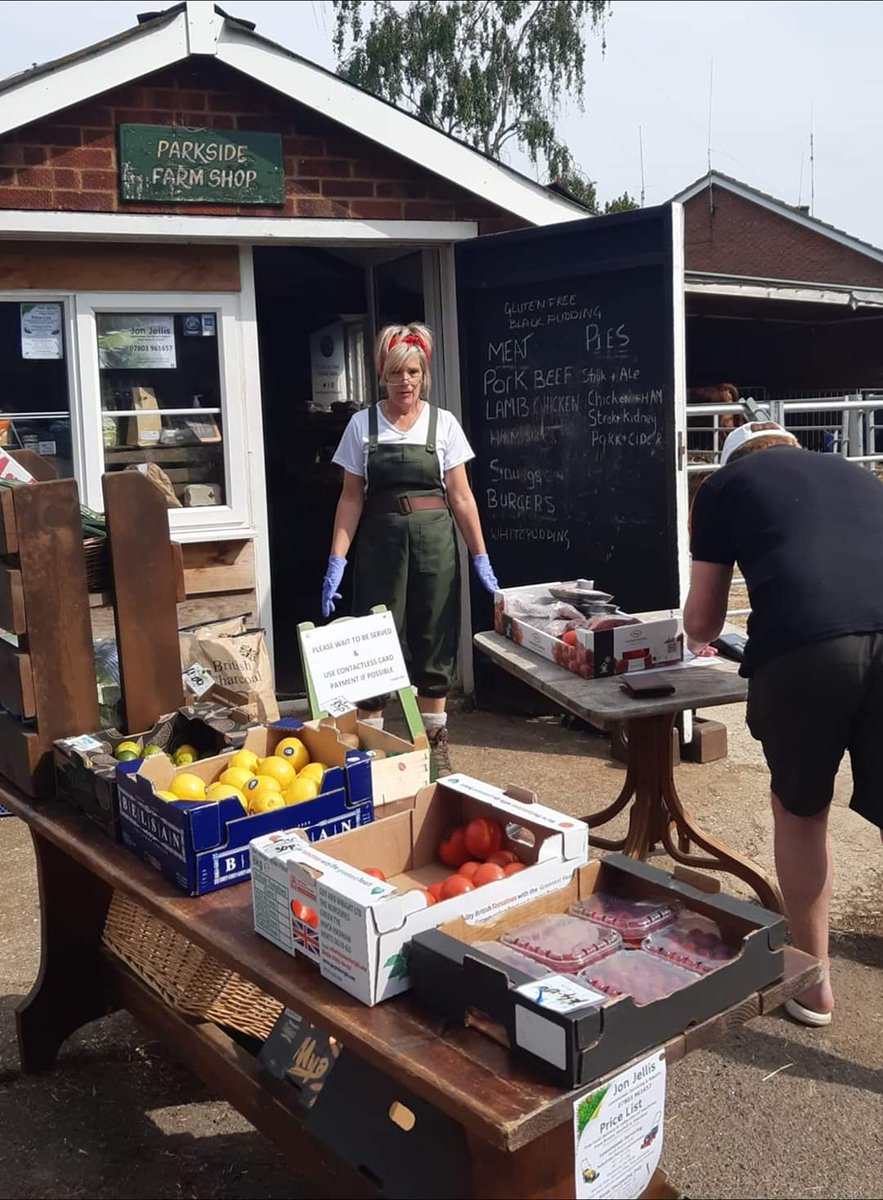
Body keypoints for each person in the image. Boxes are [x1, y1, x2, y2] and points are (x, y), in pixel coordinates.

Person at [684, 420, 883, 1027]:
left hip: (805, 648)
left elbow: (702, 623)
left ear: (733, 458)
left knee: (801, 812)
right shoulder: (859, 474)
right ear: (792, 446)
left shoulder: (723, 487)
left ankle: (814, 985)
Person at [322, 323, 499, 777]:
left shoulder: (444, 424)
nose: (406, 382)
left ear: (425, 375)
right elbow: (351, 498)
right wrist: (337, 559)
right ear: (382, 375)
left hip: (435, 541)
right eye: (396, 373)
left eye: (414, 372)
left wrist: (479, 555)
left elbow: (461, 496)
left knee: (434, 634)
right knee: (373, 638)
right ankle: (371, 749)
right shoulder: (362, 425)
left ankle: (434, 744)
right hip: (380, 543)